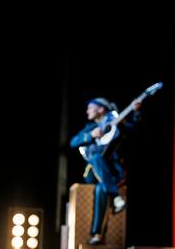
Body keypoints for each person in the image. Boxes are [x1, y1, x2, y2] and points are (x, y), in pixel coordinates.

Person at [70, 97, 141, 245]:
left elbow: (132, 129)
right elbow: (73, 142)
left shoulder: (116, 123)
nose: (87, 111)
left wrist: (135, 112)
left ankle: (97, 234)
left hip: (114, 172)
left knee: (101, 189)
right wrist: (90, 136)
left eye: (90, 108)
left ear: (101, 109)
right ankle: (115, 197)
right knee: (95, 158)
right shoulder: (89, 128)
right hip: (93, 173)